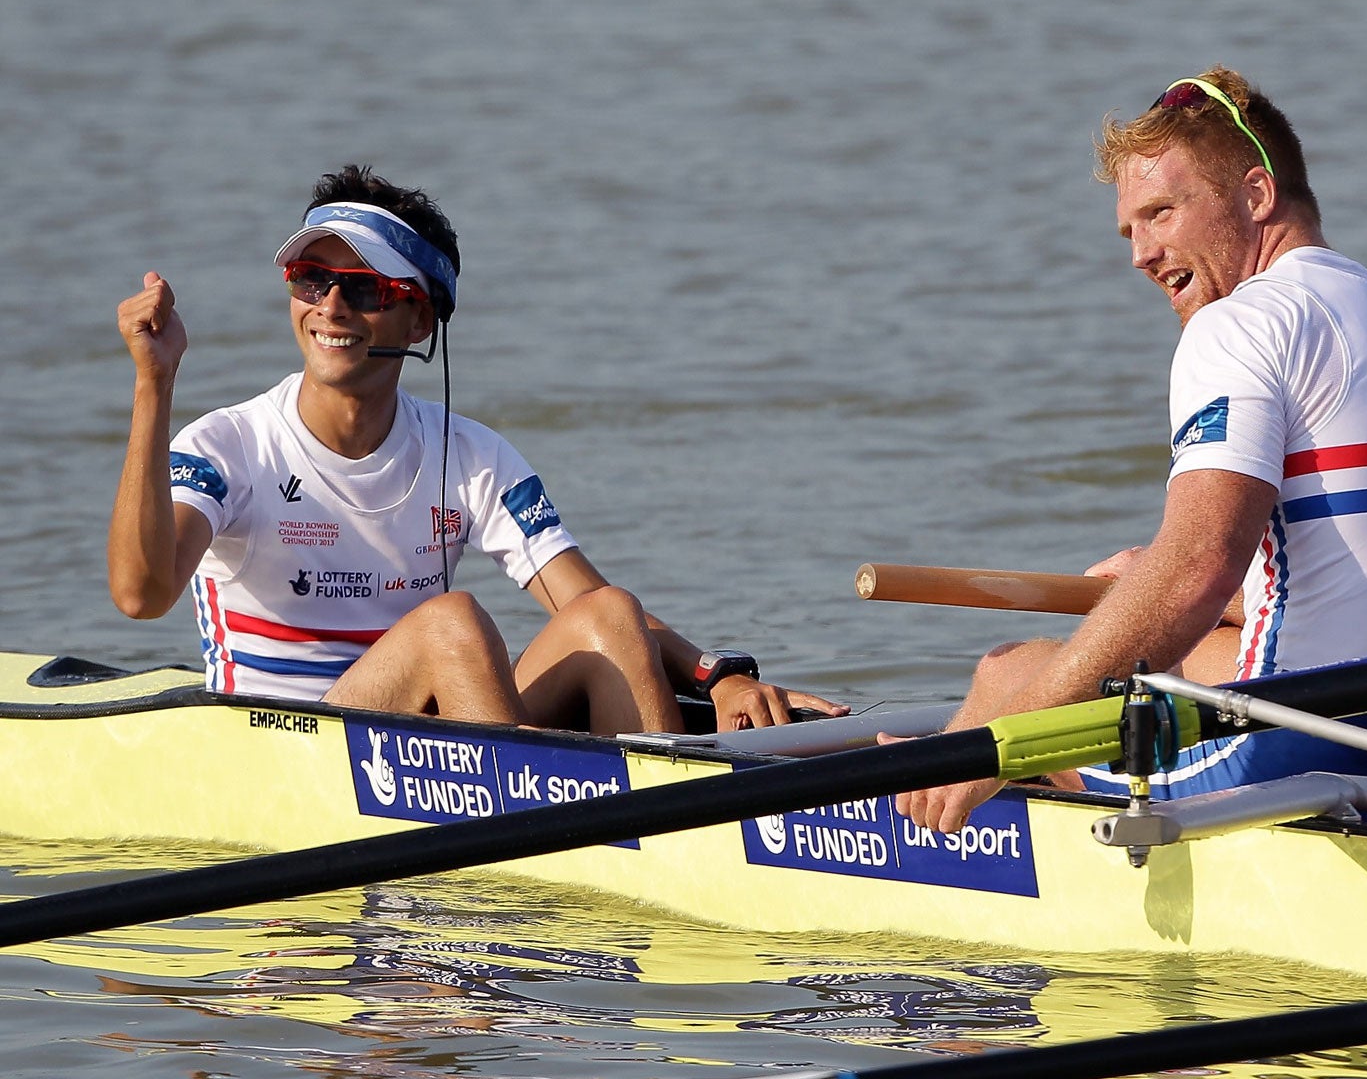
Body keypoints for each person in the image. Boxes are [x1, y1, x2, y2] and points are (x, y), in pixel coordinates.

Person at [897, 70, 1367, 833]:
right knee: (1166, 635)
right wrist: (1152, 583)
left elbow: (1197, 568)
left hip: (1306, 759)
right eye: (1131, 230)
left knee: (1010, 678)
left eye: (1161, 213)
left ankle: (936, 826)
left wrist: (996, 741)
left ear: (1257, 195)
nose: (1140, 254)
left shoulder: (1241, 324)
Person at [109, 165, 841, 735]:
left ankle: (672, 838)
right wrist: (155, 384)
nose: (330, 306)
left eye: (363, 288)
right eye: (311, 279)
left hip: (424, 736)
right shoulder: (227, 445)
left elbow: (586, 603)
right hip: (280, 749)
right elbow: (141, 595)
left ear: (420, 317)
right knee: (451, 624)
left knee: (611, 613)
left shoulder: (474, 456)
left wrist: (719, 678)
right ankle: (542, 849)